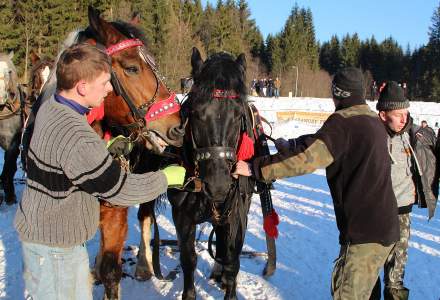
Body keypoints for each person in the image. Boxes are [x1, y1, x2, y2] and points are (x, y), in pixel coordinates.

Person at [14, 44, 186, 300]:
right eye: (105, 83)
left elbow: (66, 157)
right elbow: (120, 189)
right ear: (82, 87)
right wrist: (166, 177)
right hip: (59, 252)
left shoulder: (51, 108)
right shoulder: (78, 136)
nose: (109, 89)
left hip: (42, 237)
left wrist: (103, 146)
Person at [252, 67, 400, 299]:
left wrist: (256, 168)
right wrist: (292, 144)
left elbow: (306, 159)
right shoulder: (370, 120)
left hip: (364, 236)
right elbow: (324, 142)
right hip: (386, 229)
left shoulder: (342, 123)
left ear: (338, 94)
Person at [372, 81, 438, 300]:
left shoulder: (414, 135)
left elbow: (433, 149)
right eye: (398, 114)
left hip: (402, 211)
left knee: (397, 268)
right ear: (383, 115)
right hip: (375, 213)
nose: (404, 118)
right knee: (370, 269)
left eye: (406, 112)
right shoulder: (370, 136)